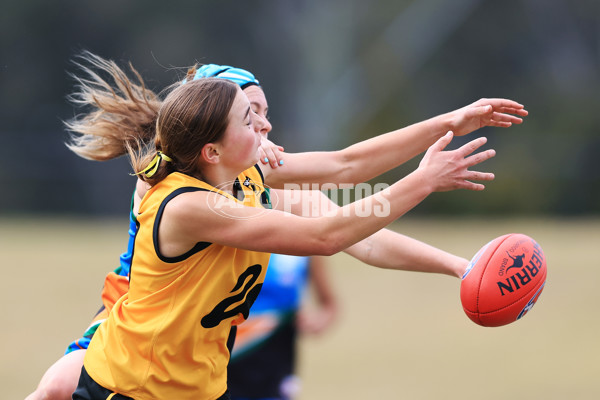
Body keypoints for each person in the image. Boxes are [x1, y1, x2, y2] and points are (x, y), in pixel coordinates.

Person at [27, 53, 527, 400]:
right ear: (211, 147)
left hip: (196, 384)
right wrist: (420, 182)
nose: (267, 127)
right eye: (251, 116)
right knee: (54, 387)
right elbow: (326, 236)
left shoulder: (246, 175)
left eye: (264, 113)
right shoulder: (181, 203)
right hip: (132, 377)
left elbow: (347, 170)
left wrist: (451, 123)